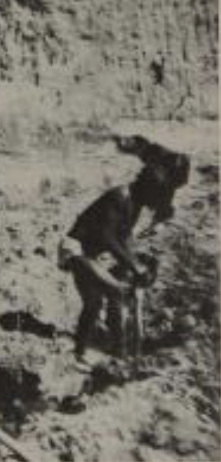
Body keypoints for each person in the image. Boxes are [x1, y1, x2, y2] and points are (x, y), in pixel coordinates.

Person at [58, 145, 190, 362]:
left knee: (93, 304)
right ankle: (120, 355)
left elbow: (124, 238)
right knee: (116, 292)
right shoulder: (120, 196)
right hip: (74, 249)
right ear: (150, 187)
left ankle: (78, 352)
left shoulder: (135, 204)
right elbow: (106, 236)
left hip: (90, 254)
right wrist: (134, 266)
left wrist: (135, 263)